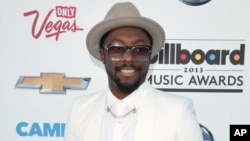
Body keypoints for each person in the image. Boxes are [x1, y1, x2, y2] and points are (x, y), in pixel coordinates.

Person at [64, 2, 203, 141]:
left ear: (149, 55)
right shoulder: (80, 109)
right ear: (102, 54)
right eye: (117, 49)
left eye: (140, 50)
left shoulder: (177, 111)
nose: (129, 58)